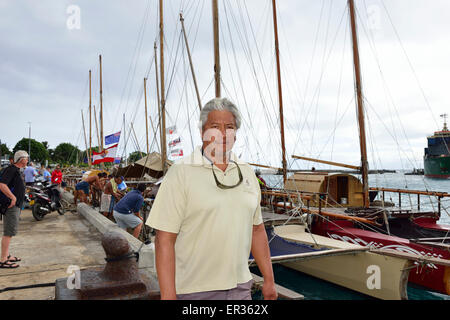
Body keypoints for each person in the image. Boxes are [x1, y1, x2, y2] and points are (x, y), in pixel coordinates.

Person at [146, 97, 277, 300]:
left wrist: (269, 279)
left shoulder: (247, 173)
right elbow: (164, 239)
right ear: (202, 132)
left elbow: (257, 230)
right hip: (193, 291)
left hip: (241, 288)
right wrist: (168, 295)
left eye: (230, 127)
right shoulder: (181, 172)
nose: (223, 134)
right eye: (215, 126)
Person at [0, 151, 28, 269]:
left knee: (10, 232)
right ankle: (2, 260)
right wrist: (13, 197)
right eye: (26, 158)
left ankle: (6, 255)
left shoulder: (16, 170)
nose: (27, 160)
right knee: (8, 232)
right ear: (21, 159)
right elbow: (2, 184)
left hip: (15, 206)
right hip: (11, 206)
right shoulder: (11, 170)